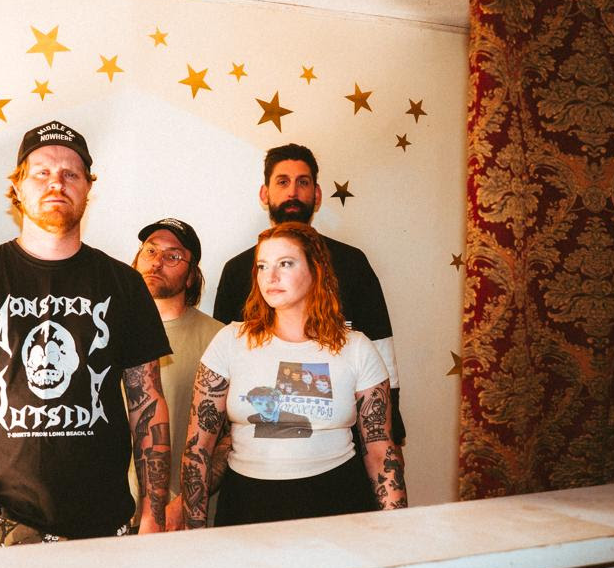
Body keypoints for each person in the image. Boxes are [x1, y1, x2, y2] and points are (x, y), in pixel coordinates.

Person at [0, 121, 172, 546]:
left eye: (71, 173)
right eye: (41, 172)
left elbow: (147, 403)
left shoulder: (123, 284)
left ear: (88, 188)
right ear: (17, 187)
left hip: (106, 527)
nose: (57, 183)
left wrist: (153, 513)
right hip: (5, 528)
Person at [182, 222, 407, 529]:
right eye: (263, 266)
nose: (270, 277)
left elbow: (381, 450)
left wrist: (397, 531)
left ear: (316, 269)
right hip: (247, 505)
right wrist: (192, 531)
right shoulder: (230, 341)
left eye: (285, 264)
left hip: (337, 502)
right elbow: (198, 448)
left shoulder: (356, 347)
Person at [212, 144, 405, 452]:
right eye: (282, 181)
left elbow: (381, 346)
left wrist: (390, 429)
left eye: (302, 182)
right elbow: (220, 368)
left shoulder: (352, 263)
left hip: (344, 439)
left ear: (316, 195)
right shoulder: (238, 270)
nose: (293, 192)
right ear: (265, 194)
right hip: (259, 445)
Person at [129, 218, 224, 529]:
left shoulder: (219, 339)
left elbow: (233, 437)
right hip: (112, 515)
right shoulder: (104, 331)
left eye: (173, 256)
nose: (157, 262)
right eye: (150, 251)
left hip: (182, 519)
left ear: (192, 276)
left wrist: (185, 503)